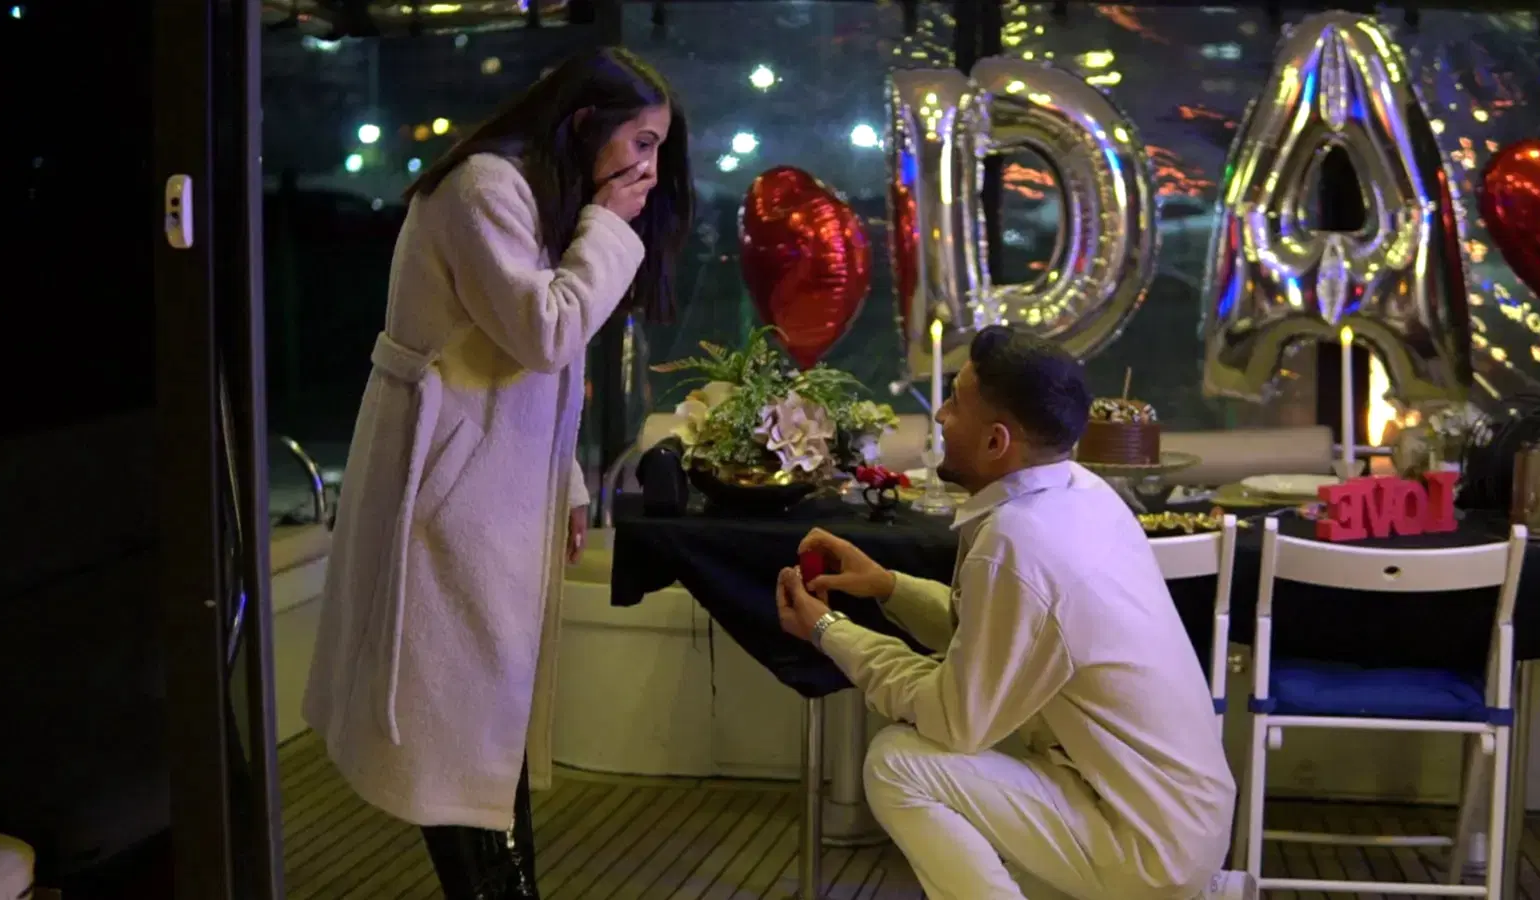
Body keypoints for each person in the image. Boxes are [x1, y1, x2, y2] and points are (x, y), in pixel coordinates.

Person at [302, 46, 692, 899]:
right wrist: (608, 224)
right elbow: (546, 334)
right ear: (585, 122)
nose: (650, 169)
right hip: (448, 480)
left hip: (491, 477)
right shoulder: (485, 188)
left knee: (484, 730)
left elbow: (537, 364)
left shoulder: (533, 192)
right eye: (643, 142)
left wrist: (569, 483)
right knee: (459, 730)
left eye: (659, 149)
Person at [775, 327, 1252, 900]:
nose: (941, 416)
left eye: (954, 402)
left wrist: (828, 631)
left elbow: (954, 718)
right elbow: (1000, 646)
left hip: (1151, 847)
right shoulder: (1082, 491)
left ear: (996, 441)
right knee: (966, 743)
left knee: (898, 763)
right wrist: (889, 587)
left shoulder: (1018, 539)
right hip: (1180, 820)